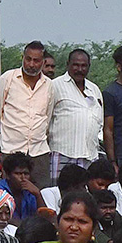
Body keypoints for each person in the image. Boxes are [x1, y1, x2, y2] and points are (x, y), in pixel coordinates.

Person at [0, 41, 53, 188]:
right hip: (12, 149)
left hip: (39, 151)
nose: (31, 64)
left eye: (36, 61)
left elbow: (47, 116)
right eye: (28, 59)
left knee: (41, 194)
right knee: (11, 193)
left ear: (43, 63)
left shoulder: (49, 85)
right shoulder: (8, 79)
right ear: (22, 58)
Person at [48, 49, 104, 181]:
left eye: (84, 66)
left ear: (89, 67)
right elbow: (45, 119)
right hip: (62, 153)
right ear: (68, 64)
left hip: (89, 156)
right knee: (60, 196)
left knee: (85, 198)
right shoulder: (55, 86)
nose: (80, 69)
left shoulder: (94, 89)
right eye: (76, 65)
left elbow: (100, 121)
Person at [0, 153, 43, 225]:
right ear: (8, 175)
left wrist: (38, 195)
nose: (23, 178)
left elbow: (44, 218)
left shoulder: (30, 192)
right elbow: (3, 218)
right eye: (18, 174)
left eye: (26, 174)